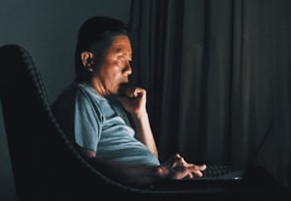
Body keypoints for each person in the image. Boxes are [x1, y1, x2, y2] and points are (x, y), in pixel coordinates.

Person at [51, 16, 206, 186]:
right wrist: (162, 172)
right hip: (129, 199)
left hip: (150, 190)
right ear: (88, 60)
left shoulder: (112, 106)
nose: (129, 70)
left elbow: (152, 160)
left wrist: (139, 115)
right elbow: (84, 166)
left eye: (129, 61)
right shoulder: (81, 97)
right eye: (121, 59)